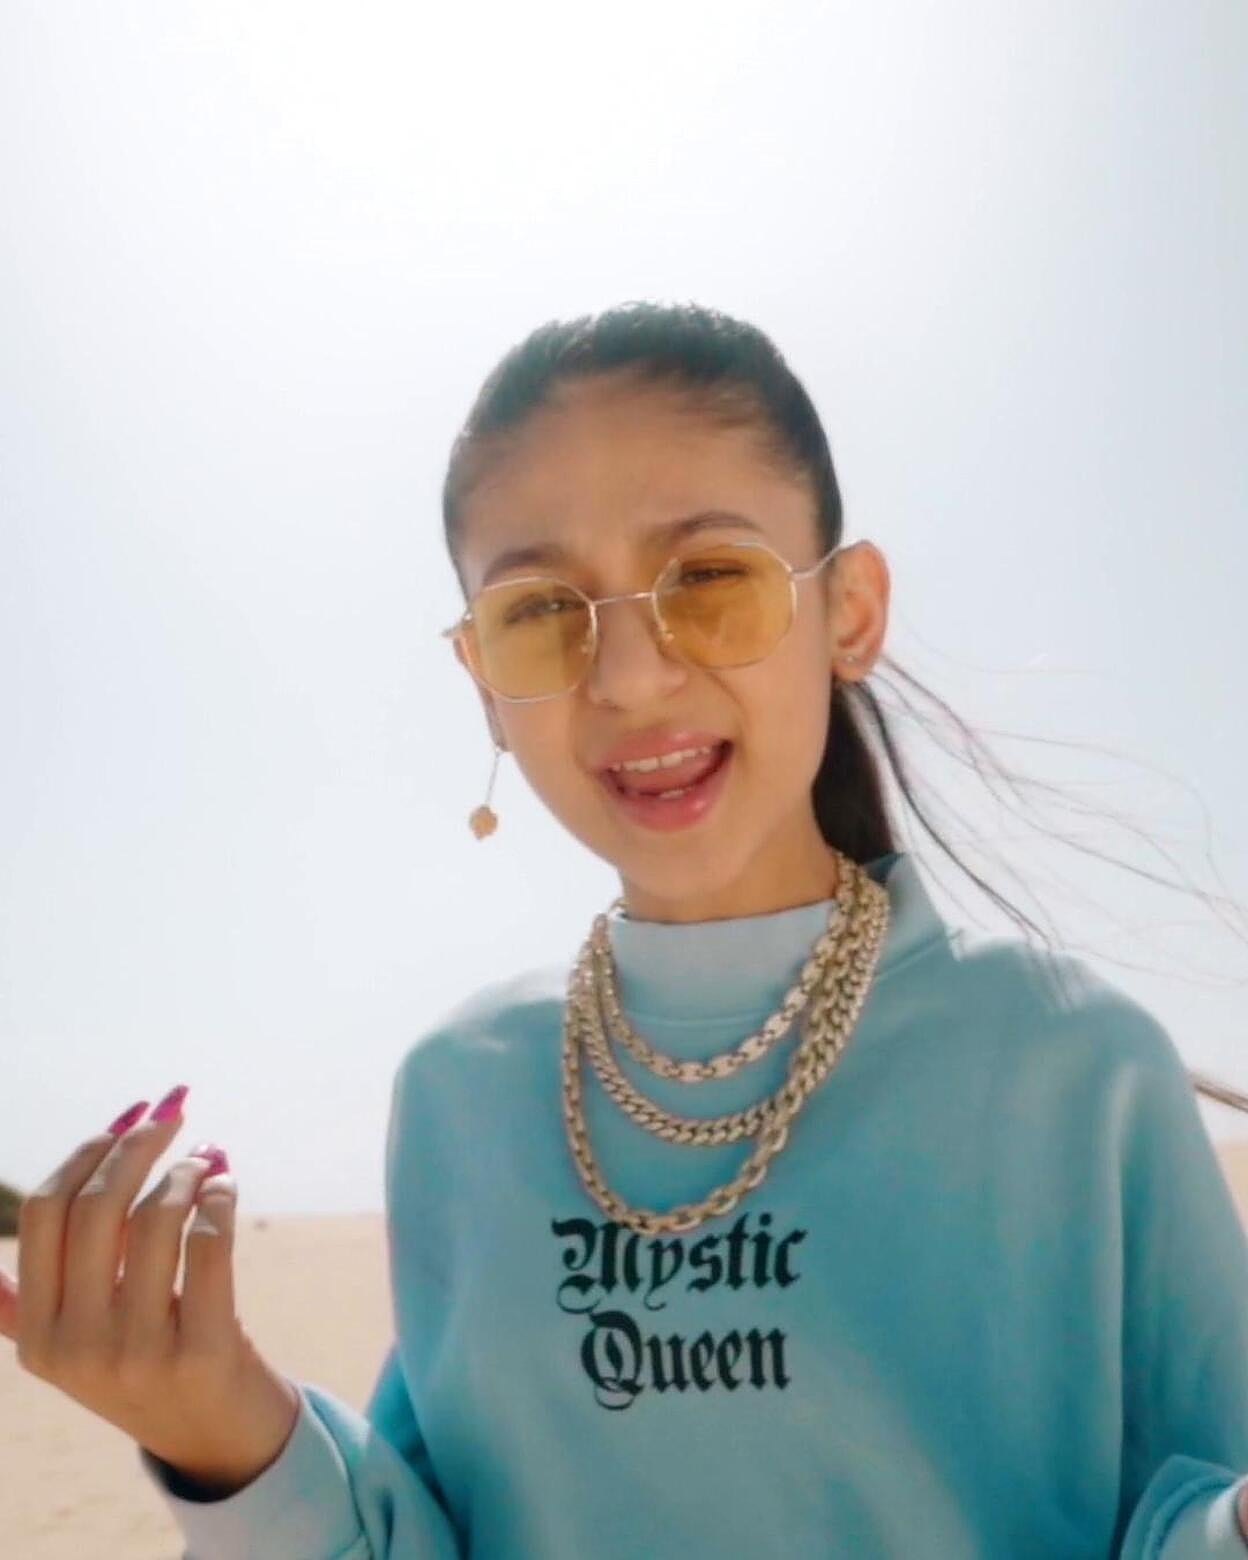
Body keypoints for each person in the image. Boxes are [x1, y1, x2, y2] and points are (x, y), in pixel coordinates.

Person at [5, 301, 1248, 1557]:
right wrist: (225, 1435)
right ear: (484, 684)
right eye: (540, 613)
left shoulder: (1073, 1067)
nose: (629, 678)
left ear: (851, 612)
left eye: (709, 580)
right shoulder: (462, 1093)